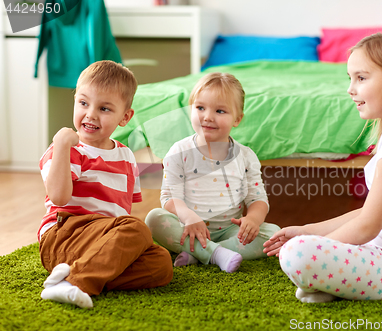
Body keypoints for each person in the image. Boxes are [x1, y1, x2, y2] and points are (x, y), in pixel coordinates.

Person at [263, 33, 382, 302]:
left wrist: (319, 246)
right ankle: (331, 284)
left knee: (296, 253)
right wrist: (308, 229)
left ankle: (330, 283)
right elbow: (368, 213)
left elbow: (368, 227)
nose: (350, 88)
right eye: (350, 78)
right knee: (303, 245)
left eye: (361, 78)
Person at [38, 60, 173, 309]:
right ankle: (75, 283)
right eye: (83, 103)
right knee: (138, 229)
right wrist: (61, 144)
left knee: (161, 264)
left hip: (101, 240)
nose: (90, 114)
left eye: (104, 108)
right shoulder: (68, 149)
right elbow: (57, 197)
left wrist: (121, 242)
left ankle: (74, 272)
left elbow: (122, 211)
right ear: (75, 100)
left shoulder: (125, 155)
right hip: (64, 234)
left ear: (125, 117)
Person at [145, 72, 280, 273]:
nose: (208, 117)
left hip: (230, 231)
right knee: (154, 219)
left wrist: (253, 220)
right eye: (200, 108)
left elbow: (258, 198)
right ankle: (215, 254)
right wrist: (189, 217)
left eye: (220, 111)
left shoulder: (245, 156)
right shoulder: (179, 151)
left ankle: (202, 252)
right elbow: (168, 197)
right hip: (187, 226)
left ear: (237, 119)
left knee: (273, 233)